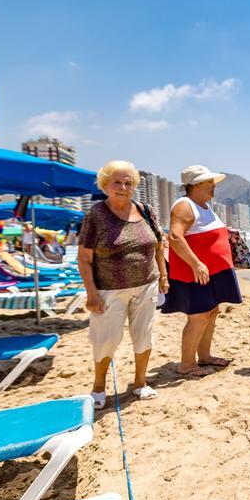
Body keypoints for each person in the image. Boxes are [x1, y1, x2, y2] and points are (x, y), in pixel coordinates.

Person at [77, 160, 167, 409]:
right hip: (109, 290)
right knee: (106, 339)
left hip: (146, 285)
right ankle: (98, 388)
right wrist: (91, 294)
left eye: (129, 183)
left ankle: (140, 383)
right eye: (117, 182)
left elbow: (159, 245)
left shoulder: (146, 210)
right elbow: (84, 260)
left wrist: (164, 276)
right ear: (105, 184)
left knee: (144, 336)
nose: (124, 187)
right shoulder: (96, 215)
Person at [160, 165, 242, 375]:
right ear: (196, 184)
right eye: (209, 182)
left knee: (211, 312)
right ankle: (186, 364)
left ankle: (204, 356)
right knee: (198, 316)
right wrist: (196, 263)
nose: (214, 186)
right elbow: (175, 237)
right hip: (195, 274)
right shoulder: (185, 205)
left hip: (212, 273)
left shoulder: (203, 206)